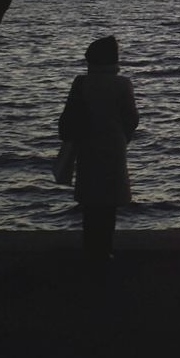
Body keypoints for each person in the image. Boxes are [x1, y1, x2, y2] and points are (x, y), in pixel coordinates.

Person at [58, 35, 138, 263]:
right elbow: (132, 119)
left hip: (87, 145)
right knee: (109, 204)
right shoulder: (123, 84)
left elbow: (69, 116)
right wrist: (123, 136)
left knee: (91, 202)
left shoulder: (81, 83)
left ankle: (90, 249)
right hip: (113, 146)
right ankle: (105, 250)